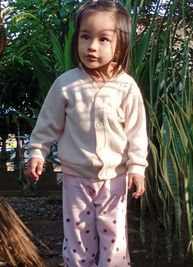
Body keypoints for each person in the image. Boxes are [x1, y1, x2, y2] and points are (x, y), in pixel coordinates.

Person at [27, 0, 148, 266]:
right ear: (77, 39)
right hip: (76, 179)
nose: (92, 46)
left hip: (115, 179)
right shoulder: (66, 85)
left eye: (103, 39)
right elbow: (47, 124)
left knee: (114, 238)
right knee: (78, 237)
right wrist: (37, 152)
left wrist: (137, 168)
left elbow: (137, 133)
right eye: (85, 36)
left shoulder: (126, 87)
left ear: (121, 46)